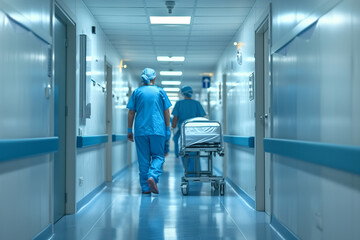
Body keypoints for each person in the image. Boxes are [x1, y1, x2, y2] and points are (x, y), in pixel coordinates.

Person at [127, 68, 171, 194]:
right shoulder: (160, 91)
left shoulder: (137, 92)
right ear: (154, 78)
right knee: (158, 156)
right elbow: (166, 111)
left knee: (143, 159)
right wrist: (167, 128)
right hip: (158, 129)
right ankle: (153, 176)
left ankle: (145, 188)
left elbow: (131, 113)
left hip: (140, 130)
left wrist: (129, 129)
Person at [172, 86, 206, 158]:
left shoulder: (179, 103)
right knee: (195, 151)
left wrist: (173, 128)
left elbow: (175, 118)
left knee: (182, 149)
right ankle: (195, 167)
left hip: (183, 131)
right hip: (195, 132)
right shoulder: (197, 104)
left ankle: (180, 157)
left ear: (182, 94)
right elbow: (202, 118)